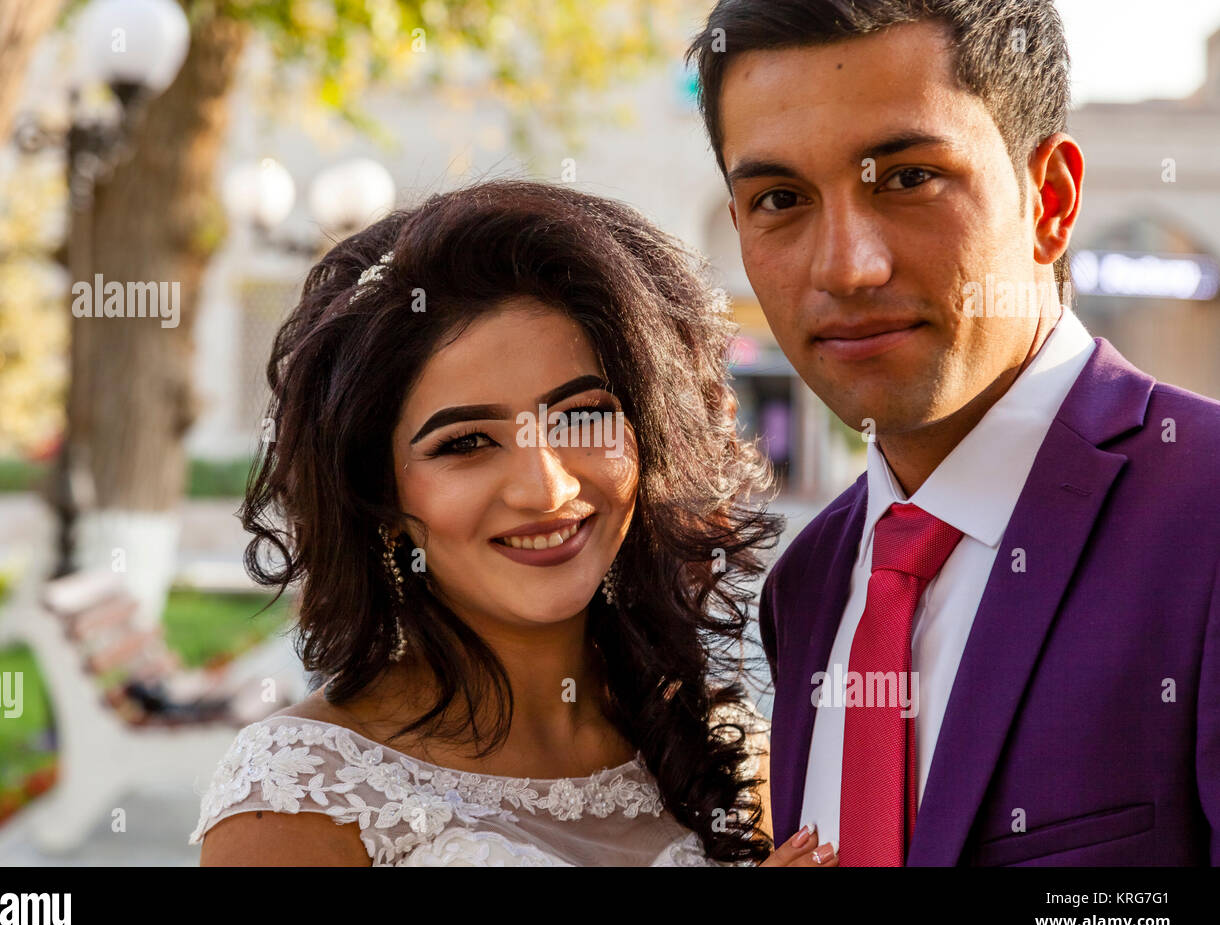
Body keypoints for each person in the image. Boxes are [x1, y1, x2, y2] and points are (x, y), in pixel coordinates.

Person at [687, 0, 1220, 865]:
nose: (847, 267)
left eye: (907, 179)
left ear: (1049, 200)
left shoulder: (1204, 514)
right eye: (780, 198)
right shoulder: (807, 585)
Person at [190, 179, 832, 866]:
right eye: (466, 442)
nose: (545, 488)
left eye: (582, 415)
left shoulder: (729, 753)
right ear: (377, 495)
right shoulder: (297, 795)